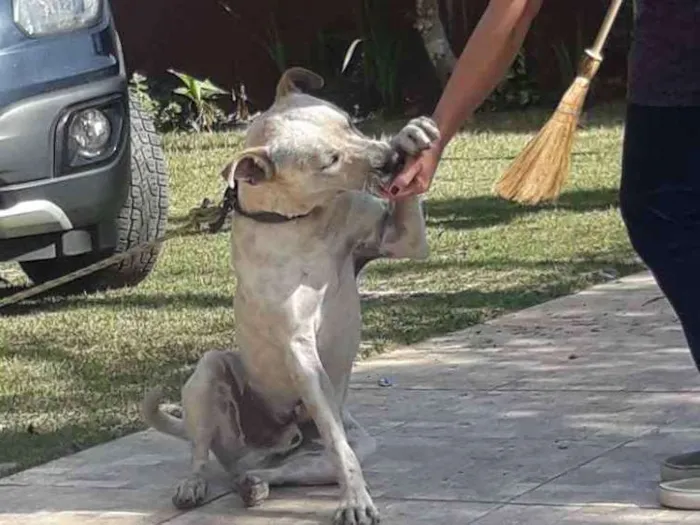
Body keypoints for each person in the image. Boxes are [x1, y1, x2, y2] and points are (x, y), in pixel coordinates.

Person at [388, 0, 700, 510]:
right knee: (662, 213)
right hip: (674, 67)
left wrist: (441, 132)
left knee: (664, 215)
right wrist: (437, 133)